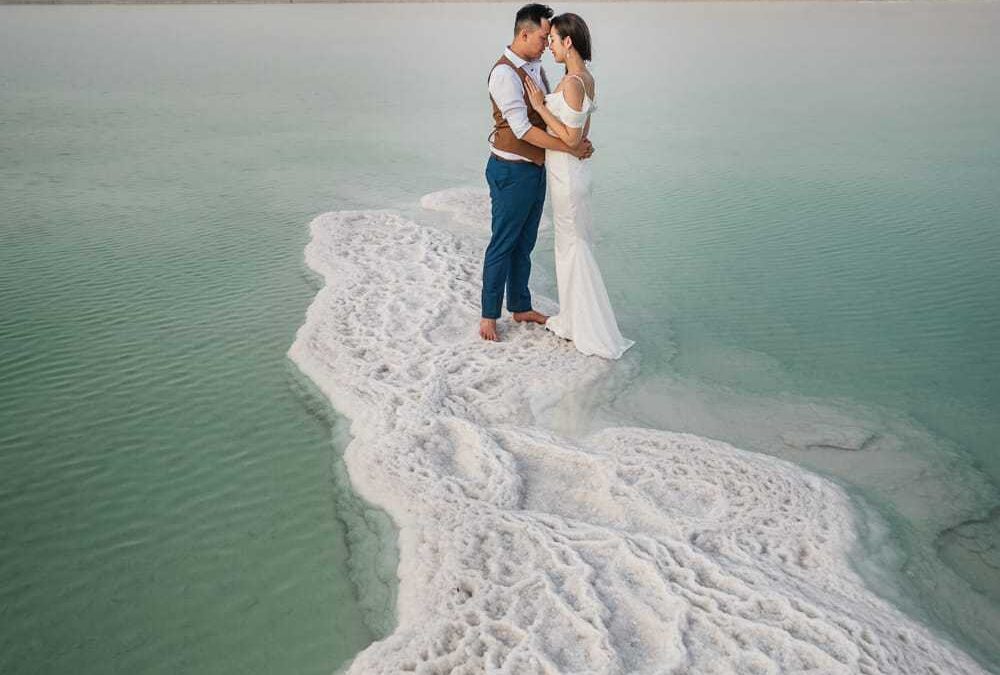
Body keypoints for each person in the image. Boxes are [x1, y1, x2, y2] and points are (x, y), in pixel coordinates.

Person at [480, 3, 595, 342]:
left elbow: (551, 118)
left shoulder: (535, 68)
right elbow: (522, 130)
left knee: (525, 242)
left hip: (536, 170)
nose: (548, 43)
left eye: (551, 38)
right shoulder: (504, 73)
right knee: (503, 242)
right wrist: (572, 148)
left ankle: (520, 305)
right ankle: (488, 315)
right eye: (544, 36)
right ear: (524, 33)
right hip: (511, 171)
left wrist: (575, 140)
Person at [524, 13, 634, 359]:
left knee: (572, 246)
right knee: (573, 245)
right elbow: (582, 134)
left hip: (566, 175)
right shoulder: (586, 78)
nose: (551, 46)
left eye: (554, 40)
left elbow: (572, 136)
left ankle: (585, 326)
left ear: (568, 41)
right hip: (573, 171)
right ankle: (574, 318)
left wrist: (541, 107)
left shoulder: (572, 82)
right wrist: (576, 141)